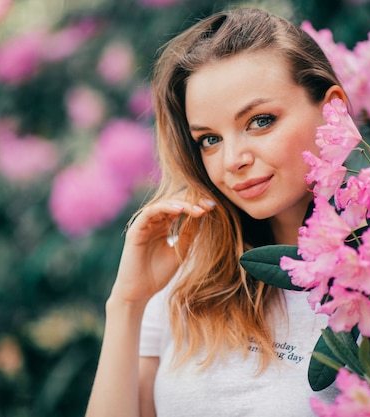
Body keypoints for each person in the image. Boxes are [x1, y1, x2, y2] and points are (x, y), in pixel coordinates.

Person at [85, 6, 348, 417]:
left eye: (260, 121)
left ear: (332, 111)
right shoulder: (184, 288)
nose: (232, 161)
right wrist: (128, 303)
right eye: (209, 139)